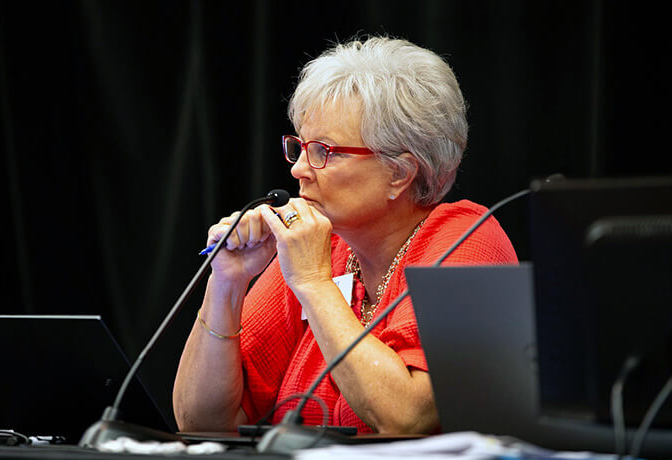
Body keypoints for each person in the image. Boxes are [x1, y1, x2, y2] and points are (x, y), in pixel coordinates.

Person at [173, 36, 517, 435]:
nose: (299, 169)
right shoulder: (326, 246)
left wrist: (315, 284)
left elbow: (406, 418)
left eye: (324, 151)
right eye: (299, 146)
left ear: (399, 173)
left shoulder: (466, 240)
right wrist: (227, 282)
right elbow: (200, 423)